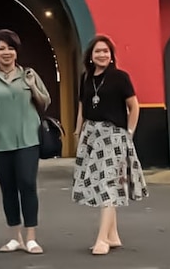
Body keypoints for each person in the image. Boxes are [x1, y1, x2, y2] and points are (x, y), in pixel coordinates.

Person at [0, 29, 51, 255]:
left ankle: (31, 237)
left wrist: (32, 85)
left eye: (10, 48)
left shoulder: (28, 74)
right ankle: (15, 237)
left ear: (17, 52)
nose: (6, 52)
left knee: (27, 183)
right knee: (8, 189)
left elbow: (45, 101)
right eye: (1, 49)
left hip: (28, 140)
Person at [72, 34, 148, 256]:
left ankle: (102, 239)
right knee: (100, 183)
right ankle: (113, 235)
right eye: (98, 51)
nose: (102, 55)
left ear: (111, 55)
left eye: (106, 51)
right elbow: (81, 107)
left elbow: (134, 107)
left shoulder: (120, 78)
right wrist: (79, 132)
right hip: (91, 134)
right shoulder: (86, 78)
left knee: (107, 184)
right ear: (91, 56)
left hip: (113, 135)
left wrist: (129, 133)